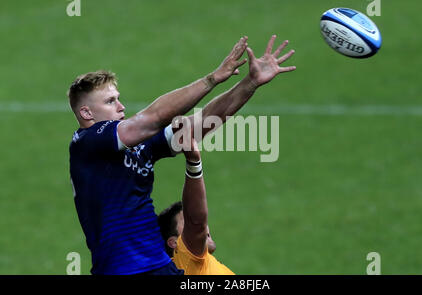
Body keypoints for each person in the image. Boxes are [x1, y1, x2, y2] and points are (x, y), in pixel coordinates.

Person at [68, 35, 295, 275]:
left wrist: (249, 83)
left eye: (119, 99)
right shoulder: (87, 142)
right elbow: (152, 119)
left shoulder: (138, 145)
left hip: (160, 266)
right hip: (122, 270)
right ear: (86, 113)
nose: (121, 106)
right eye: (110, 101)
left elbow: (199, 124)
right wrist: (211, 80)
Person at [158, 134, 234, 275]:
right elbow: (197, 222)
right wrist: (193, 162)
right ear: (174, 243)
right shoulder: (186, 261)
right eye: (187, 223)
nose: (204, 226)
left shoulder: (207, 264)